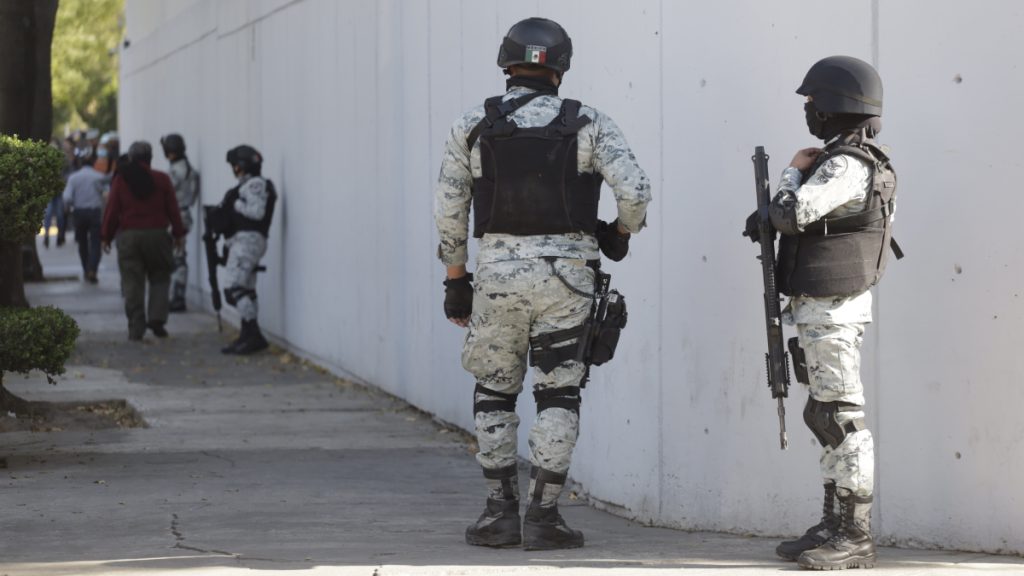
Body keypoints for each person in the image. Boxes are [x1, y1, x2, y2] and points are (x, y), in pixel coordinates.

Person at [434, 17, 651, 551]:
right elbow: (637, 191)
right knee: (558, 393)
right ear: (561, 68)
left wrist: (456, 280)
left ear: (507, 64)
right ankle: (544, 517)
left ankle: (499, 515)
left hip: (498, 277)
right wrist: (618, 233)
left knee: (493, 392)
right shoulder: (589, 124)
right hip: (567, 280)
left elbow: (449, 210)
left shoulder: (473, 125)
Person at [746, 56, 898, 570]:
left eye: (812, 101)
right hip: (822, 308)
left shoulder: (845, 164)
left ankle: (854, 535)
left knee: (842, 418)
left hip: (833, 312)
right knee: (824, 416)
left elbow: (791, 213)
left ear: (835, 104)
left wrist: (791, 170)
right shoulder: (849, 159)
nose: (808, 109)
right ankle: (833, 522)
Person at [100, 141, 186, 341]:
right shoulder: (162, 179)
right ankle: (157, 318)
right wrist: (179, 234)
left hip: (130, 237)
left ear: (131, 158)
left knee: (132, 282)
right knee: (160, 277)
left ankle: (136, 327)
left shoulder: (121, 180)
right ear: (150, 158)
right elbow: (173, 209)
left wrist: (106, 236)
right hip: (158, 235)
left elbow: (112, 210)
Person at [208, 144, 276, 355]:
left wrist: (235, 204)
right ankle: (248, 335)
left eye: (235, 165)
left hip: (248, 241)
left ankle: (252, 334)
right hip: (242, 241)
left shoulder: (255, 185)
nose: (234, 169)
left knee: (233, 289)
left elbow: (256, 212)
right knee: (246, 289)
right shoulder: (246, 185)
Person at [160, 133, 200, 312]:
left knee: (176, 258)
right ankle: (177, 295)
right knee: (178, 256)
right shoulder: (191, 171)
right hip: (184, 214)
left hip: (175, 217)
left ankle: (177, 297)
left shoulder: (175, 172)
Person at [62, 149, 108, 282]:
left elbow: (67, 197)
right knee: (95, 242)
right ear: (93, 162)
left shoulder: (74, 177)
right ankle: (93, 269)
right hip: (95, 212)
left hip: (79, 212)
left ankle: (86, 268)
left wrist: (69, 207)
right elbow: (105, 193)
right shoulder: (99, 176)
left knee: (82, 243)